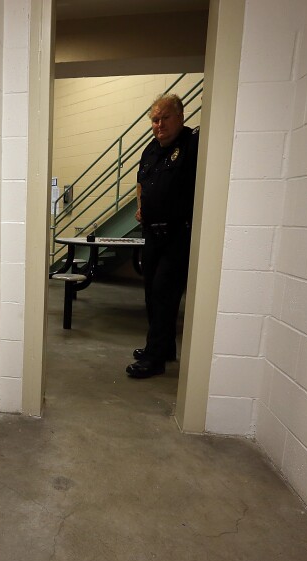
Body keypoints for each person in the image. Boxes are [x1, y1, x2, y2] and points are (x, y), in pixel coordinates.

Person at [126, 94, 199, 379]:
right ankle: (164, 346)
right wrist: (141, 207)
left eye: (164, 118)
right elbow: (141, 183)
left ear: (179, 116)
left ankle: (154, 359)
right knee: (150, 294)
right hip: (152, 236)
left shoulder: (193, 144)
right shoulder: (151, 149)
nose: (159, 125)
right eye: (155, 120)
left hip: (178, 235)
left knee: (163, 294)